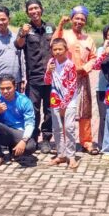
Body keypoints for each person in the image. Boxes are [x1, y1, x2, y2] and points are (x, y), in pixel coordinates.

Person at [53, 6, 97, 154]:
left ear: (85, 22)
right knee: (65, 110)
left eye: (82, 19)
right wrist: (60, 25)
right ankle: (65, 141)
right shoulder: (64, 34)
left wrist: (84, 68)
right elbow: (53, 44)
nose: (79, 21)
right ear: (72, 19)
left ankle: (87, 141)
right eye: (76, 18)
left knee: (85, 110)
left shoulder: (89, 39)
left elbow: (94, 59)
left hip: (82, 78)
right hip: (65, 79)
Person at [15, 0, 55, 153]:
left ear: (41, 9)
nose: (34, 11)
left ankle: (46, 139)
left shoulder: (50, 27)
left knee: (50, 110)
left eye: (36, 8)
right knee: (33, 109)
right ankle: (32, 136)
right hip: (34, 78)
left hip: (51, 77)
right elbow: (18, 45)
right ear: (27, 12)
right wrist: (22, 33)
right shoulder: (25, 29)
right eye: (30, 9)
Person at [0, 74, 37, 168]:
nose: (5, 91)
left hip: (19, 132)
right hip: (4, 132)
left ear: (15, 87)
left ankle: (14, 152)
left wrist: (24, 141)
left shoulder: (24, 101)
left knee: (30, 146)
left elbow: (30, 123)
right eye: (2, 88)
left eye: (8, 88)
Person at [44, 38, 79, 169]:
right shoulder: (51, 62)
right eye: (55, 49)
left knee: (69, 127)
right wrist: (48, 71)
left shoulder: (70, 65)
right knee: (57, 128)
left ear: (66, 50)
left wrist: (64, 104)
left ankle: (71, 156)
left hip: (69, 100)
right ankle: (61, 154)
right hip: (55, 99)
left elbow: (72, 86)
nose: (57, 52)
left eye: (60, 49)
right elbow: (47, 81)